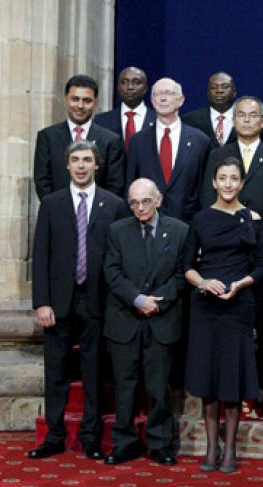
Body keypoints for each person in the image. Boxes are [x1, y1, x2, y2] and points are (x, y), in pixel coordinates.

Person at [29, 140, 126, 460]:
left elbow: (119, 257)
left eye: (87, 159)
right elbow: (40, 255)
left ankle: (91, 437)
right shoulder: (53, 203)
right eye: (75, 159)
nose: (82, 165)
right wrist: (41, 302)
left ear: (97, 165)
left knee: (94, 372)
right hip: (58, 302)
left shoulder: (113, 204)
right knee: (56, 371)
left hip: (97, 300)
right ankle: (54, 436)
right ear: (67, 165)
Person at [184, 156, 263, 473]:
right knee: (209, 378)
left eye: (235, 178)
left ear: (242, 183)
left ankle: (231, 449)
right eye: (223, 178)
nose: (229, 184)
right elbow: (187, 267)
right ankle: (211, 449)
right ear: (214, 182)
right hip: (206, 306)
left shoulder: (254, 219)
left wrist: (240, 284)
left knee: (232, 377)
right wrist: (204, 282)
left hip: (239, 304)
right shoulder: (201, 219)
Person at [201, 96, 263, 390]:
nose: (247, 120)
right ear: (233, 120)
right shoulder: (219, 154)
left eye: (253, 115)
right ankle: (227, 370)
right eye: (241, 115)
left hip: (262, 246)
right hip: (225, 247)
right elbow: (207, 199)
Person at [102, 178, 190, 466]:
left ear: (159, 200)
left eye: (146, 201)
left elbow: (182, 275)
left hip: (161, 320)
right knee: (124, 387)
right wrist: (137, 299)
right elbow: (111, 272)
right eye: (134, 202)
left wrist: (157, 301)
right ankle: (124, 443)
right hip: (125, 319)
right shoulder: (117, 231)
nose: (140, 208)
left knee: (158, 387)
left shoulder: (179, 231)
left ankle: (160, 444)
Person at [126, 77, 211, 223]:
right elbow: (130, 186)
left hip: (188, 225)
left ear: (181, 100)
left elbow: (204, 191)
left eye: (169, 93)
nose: (163, 98)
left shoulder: (200, 141)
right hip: (146, 224)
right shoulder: (137, 141)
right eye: (158, 94)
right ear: (152, 101)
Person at [34, 74, 125, 198]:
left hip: (99, 214)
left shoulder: (111, 140)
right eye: (75, 99)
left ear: (95, 103)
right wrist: (57, 210)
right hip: (58, 213)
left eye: (87, 100)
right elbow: (42, 181)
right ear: (66, 99)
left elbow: (116, 184)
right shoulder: (47, 137)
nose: (80, 106)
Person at [94, 66, 157, 150]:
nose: (130, 87)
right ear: (118, 87)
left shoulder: (158, 120)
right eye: (124, 82)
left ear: (145, 88)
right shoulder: (101, 121)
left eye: (136, 82)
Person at [182, 71, 238, 149]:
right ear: (207, 93)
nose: (219, 91)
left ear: (234, 92)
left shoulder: (246, 119)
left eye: (225, 87)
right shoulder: (189, 121)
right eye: (214, 87)